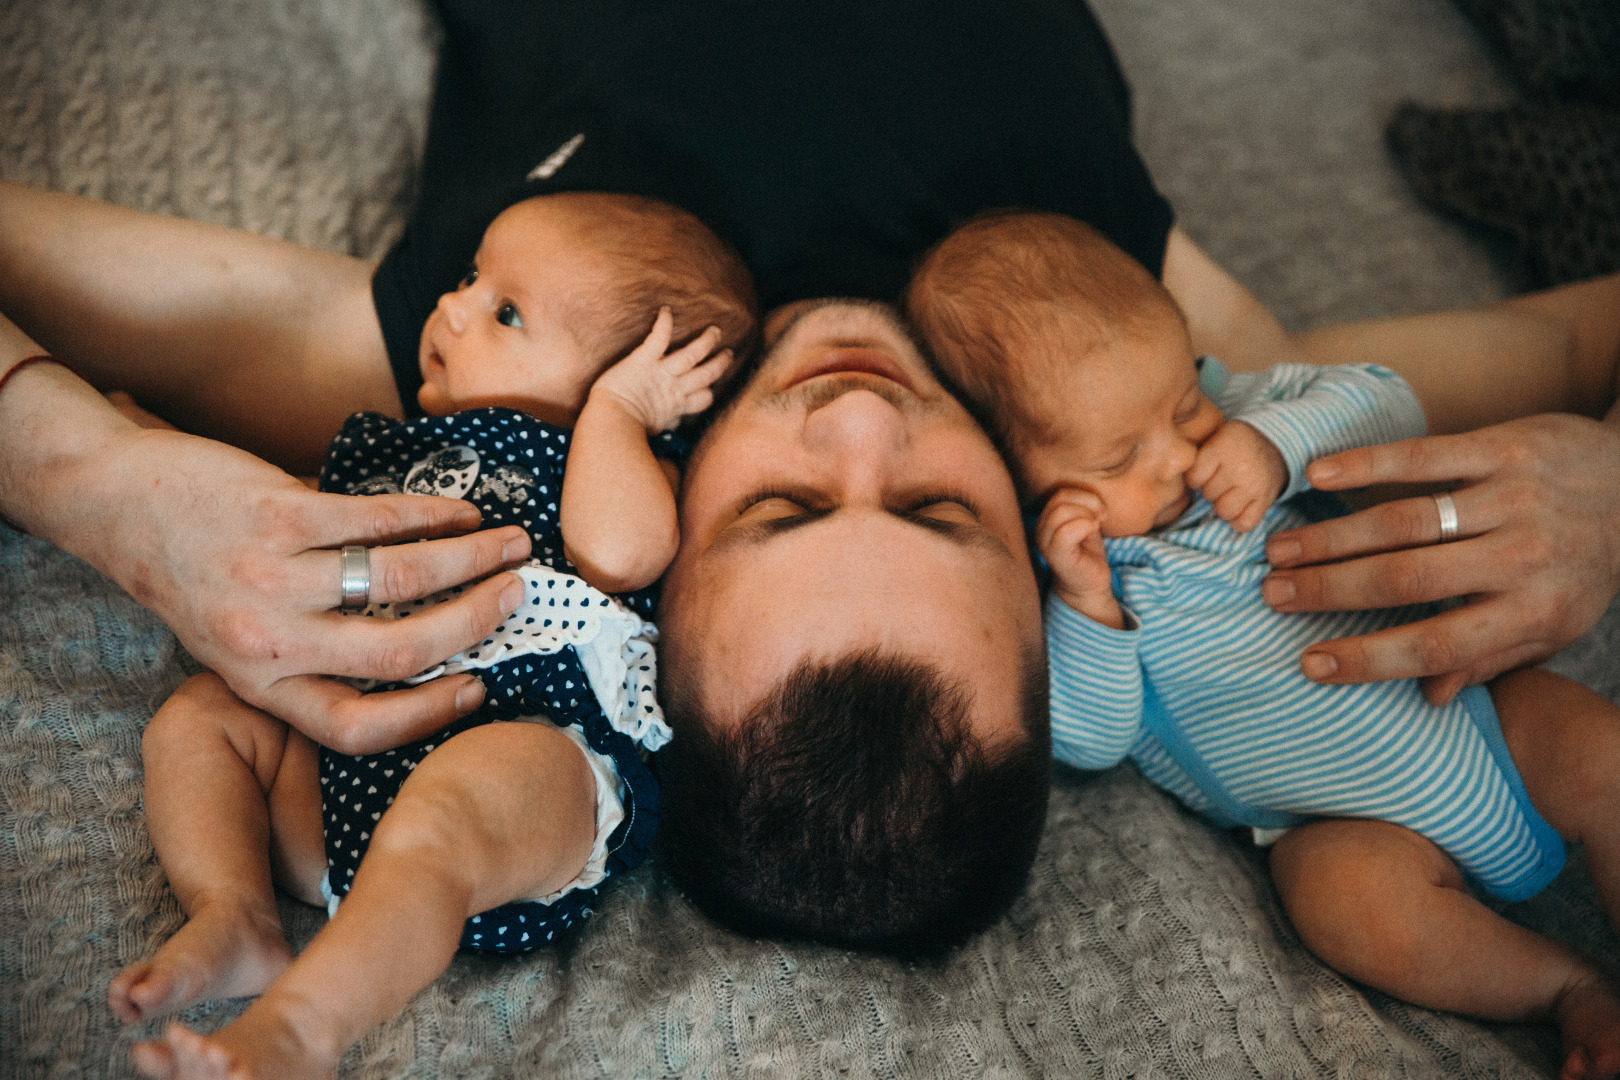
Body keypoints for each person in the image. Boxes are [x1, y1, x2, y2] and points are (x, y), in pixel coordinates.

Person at [1, 0, 1617, 946]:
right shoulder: (1164, 381)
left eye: (781, 506)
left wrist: (94, 476)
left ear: (662, 569)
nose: (860, 417)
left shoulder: (501, 368)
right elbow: (1565, 337)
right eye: (939, 506)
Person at [906, 211, 1620, 1079]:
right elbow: (1090, 743)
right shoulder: (1082, 582)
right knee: (1339, 906)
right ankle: (1566, 991)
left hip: (1474, 706)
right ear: (1024, 482)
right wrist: (1087, 602)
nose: (1177, 457)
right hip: (1343, 827)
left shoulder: (1244, 417)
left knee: (1602, 756)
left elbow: (1381, 396)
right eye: (1122, 454)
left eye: (1181, 405)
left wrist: (1276, 445)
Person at [105, 191, 753, 1079]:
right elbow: (274, 515)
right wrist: (151, 452)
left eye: (507, 311)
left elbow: (619, 552)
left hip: (522, 762)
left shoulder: (600, 459)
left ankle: (301, 1028)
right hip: (339, 783)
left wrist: (617, 414)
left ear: (639, 381)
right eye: (470, 278)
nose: (451, 306)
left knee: (446, 812)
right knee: (197, 722)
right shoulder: (397, 448)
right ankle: (235, 910)